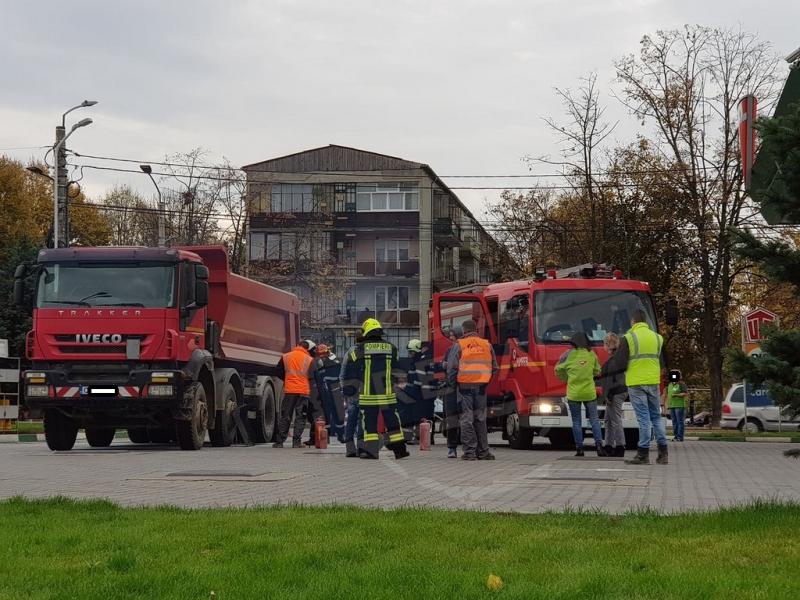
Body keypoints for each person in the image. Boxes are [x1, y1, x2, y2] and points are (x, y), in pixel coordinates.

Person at [341, 318, 409, 460]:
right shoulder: (392, 348)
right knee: (393, 421)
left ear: (366, 332)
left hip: (368, 393)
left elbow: (349, 372)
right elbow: (398, 369)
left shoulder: (358, 350)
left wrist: (348, 391)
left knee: (369, 423)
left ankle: (371, 451)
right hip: (387, 392)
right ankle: (400, 451)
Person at [619, 309, 668, 465]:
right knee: (656, 417)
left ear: (633, 322)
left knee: (643, 419)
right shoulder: (658, 338)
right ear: (645, 322)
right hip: (653, 381)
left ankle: (643, 454)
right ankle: (663, 454)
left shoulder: (628, 337)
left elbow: (621, 361)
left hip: (636, 382)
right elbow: (659, 359)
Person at [447, 319, 498, 461]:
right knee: (481, 419)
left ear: (464, 331)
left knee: (466, 419)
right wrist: (486, 383)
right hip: (481, 388)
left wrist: (452, 385)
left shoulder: (459, 345)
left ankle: (470, 452)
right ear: (476, 329)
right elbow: (495, 368)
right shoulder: (487, 345)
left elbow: (452, 368)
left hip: (464, 387)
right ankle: (483, 452)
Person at [555, 332, 605, 457]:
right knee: (594, 420)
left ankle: (579, 449)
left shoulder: (569, 354)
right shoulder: (591, 354)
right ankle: (599, 447)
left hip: (574, 393)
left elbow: (558, 369)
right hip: (589, 393)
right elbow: (597, 370)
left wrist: (566, 378)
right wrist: (589, 373)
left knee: (576, 421)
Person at [273, 340, 317, 448]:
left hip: (290, 391)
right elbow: (313, 376)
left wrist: (288, 379)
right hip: (303, 392)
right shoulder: (309, 359)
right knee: (300, 417)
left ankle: (279, 442)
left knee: (285, 415)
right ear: (308, 349)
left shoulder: (286, 357)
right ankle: (296, 442)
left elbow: (278, 371)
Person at [398, 339, 438, 445]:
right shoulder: (419, 361)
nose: (410, 355)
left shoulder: (421, 361)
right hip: (422, 393)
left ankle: (421, 438)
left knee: (419, 416)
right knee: (423, 415)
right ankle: (423, 438)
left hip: (419, 394)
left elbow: (418, 381)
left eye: (411, 352)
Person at [599, 332, 627, 457]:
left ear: (607, 345)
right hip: (621, 391)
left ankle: (620, 446)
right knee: (608, 420)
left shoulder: (613, 361)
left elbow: (610, 380)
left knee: (615, 420)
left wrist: (608, 395)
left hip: (615, 393)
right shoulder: (619, 358)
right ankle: (609, 445)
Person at [340, 335, 365, 457]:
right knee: (362, 418)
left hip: (350, 389)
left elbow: (343, 371)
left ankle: (350, 448)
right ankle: (361, 447)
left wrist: (343, 388)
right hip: (364, 389)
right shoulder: (367, 352)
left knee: (351, 418)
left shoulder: (349, 352)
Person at [439, 328, 462, 458]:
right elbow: (445, 364)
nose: (451, 338)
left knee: (464, 418)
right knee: (451, 418)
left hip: (459, 386)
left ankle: (465, 447)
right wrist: (444, 365)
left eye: (453, 336)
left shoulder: (462, 349)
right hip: (452, 387)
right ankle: (452, 448)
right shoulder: (449, 350)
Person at [665, 370, 688, 442]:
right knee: (674, 422)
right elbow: (667, 395)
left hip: (679, 405)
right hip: (672, 406)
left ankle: (680, 437)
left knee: (679, 422)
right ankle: (676, 436)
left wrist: (676, 395)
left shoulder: (681, 384)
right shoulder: (670, 384)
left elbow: (684, 394)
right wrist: (667, 405)